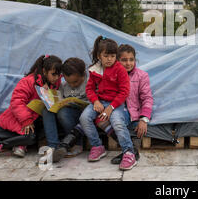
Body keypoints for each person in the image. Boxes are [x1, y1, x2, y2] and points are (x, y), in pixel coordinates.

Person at [0, 55, 62, 161]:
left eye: (58, 74)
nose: (57, 78)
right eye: (54, 74)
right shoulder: (29, 81)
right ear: (44, 71)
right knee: (30, 137)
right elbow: (17, 102)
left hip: (37, 118)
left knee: (50, 128)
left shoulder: (54, 83)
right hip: (20, 118)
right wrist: (26, 120)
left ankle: (20, 144)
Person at [79, 36, 135, 170]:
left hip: (116, 104)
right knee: (84, 117)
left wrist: (111, 107)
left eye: (112, 56)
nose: (109, 59)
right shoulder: (94, 69)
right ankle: (97, 146)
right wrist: (95, 101)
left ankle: (129, 152)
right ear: (99, 56)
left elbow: (124, 92)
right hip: (100, 101)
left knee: (116, 121)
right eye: (106, 56)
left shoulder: (120, 69)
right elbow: (90, 88)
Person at [109, 44, 153, 164]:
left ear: (135, 60)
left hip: (133, 113)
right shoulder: (111, 76)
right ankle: (132, 151)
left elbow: (147, 98)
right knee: (102, 119)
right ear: (117, 60)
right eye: (124, 60)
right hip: (116, 111)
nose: (128, 63)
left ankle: (128, 152)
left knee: (118, 121)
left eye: (131, 59)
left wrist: (144, 119)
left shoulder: (142, 76)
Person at [41, 57, 88, 160]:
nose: (71, 85)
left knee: (63, 113)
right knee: (47, 110)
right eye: (68, 82)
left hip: (83, 115)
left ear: (83, 74)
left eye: (75, 82)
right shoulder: (63, 85)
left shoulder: (90, 82)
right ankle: (53, 146)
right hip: (67, 113)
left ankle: (76, 143)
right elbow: (60, 100)